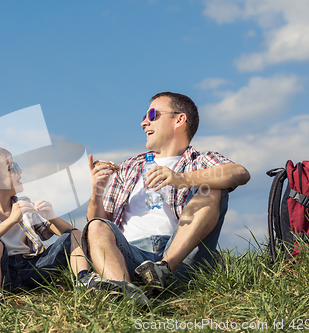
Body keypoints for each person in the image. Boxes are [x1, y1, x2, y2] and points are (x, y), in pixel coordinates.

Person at [82, 92, 250, 300]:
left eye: (152, 114)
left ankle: (163, 270)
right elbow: (98, 225)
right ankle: (127, 292)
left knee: (212, 186)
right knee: (96, 226)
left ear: (179, 119)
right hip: (131, 255)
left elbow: (240, 173)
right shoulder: (128, 167)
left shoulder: (198, 161)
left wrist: (181, 179)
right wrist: (97, 192)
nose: (144, 122)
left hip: (183, 258)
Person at [0, 147, 89, 307]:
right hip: (1, 273)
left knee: (75, 234)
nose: (19, 170)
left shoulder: (24, 205)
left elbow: (66, 233)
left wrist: (52, 217)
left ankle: (85, 280)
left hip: (31, 268)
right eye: (11, 168)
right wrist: (11, 220)